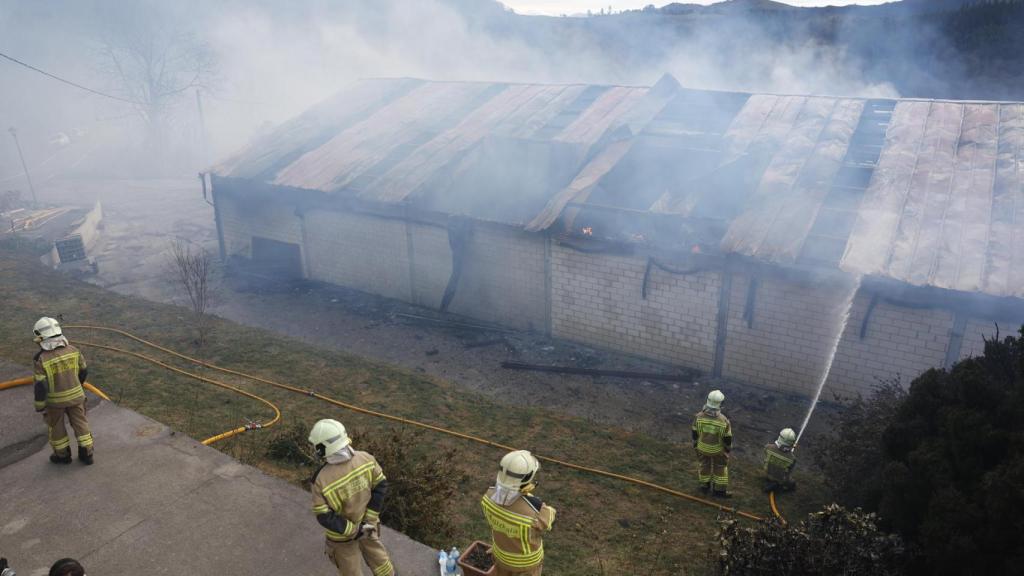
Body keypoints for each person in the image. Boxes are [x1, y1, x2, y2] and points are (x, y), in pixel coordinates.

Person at [308, 419, 394, 576]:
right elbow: (381, 485)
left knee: (350, 570)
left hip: (341, 537)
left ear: (321, 449)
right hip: (369, 526)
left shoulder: (320, 480)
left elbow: (324, 515)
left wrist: (353, 530)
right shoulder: (366, 459)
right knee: (379, 558)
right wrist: (369, 518)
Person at [480, 450, 557, 576]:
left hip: (500, 556)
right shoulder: (535, 509)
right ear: (527, 478)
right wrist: (529, 497)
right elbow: (549, 518)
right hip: (526, 566)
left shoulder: (487, 496)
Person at [32, 317, 93, 465]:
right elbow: (83, 371)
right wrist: (77, 386)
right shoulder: (73, 350)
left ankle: (62, 455)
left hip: (55, 403)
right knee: (81, 424)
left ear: (41, 338)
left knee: (57, 428)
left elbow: (41, 386)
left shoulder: (41, 359)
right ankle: (87, 454)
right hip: (77, 397)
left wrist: (39, 405)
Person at [692, 389, 732, 498]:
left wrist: (696, 445)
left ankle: (704, 487)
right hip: (717, 450)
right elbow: (727, 438)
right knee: (720, 468)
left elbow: (695, 433)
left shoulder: (698, 417)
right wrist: (727, 450)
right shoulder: (723, 421)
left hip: (702, 448)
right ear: (720, 404)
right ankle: (719, 491)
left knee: (704, 466)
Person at [763, 428, 797, 492]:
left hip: (766, 474)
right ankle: (780, 488)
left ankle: (771, 484)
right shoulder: (792, 459)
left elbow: (765, 453)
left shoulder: (768, 447)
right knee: (792, 483)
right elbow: (788, 473)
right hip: (780, 480)